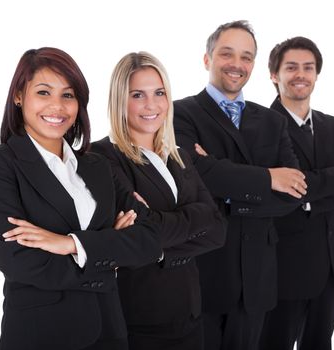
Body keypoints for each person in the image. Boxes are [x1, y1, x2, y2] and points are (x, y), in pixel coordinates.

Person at [0, 47, 166, 350]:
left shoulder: (97, 165)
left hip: (109, 331)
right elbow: (18, 261)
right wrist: (108, 253)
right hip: (41, 335)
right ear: (19, 96)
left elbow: (150, 239)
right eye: (43, 92)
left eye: (68, 95)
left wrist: (70, 244)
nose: (57, 106)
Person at [173, 20, 308, 350]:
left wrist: (229, 193)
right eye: (227, 54)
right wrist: (267, 177)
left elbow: (295, 192)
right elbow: (196, 176)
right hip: (204, 271)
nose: (237, 64)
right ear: (207, 59)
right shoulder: (179, 114)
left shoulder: (273, 120)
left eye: (246, 57)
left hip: (257, 278)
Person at [91, 52, 226, 350]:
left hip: (189, 312)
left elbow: (217, 229)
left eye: (159, 93)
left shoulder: (177, 155)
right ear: (119, 100)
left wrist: (159, 248)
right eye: (138, 95)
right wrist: (196, 216)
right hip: (138, 318)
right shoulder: (101, 158)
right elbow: (142, 234)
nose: (152, 105)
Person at [259, 36, 334, 350]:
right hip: (285, 267)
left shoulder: (332, 126)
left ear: (317, 74)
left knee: (320, 344)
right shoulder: (259, 127)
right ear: (274, 74)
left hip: (333, 264)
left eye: (308, 68)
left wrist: (307, 195)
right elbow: (278, 195)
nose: (300, 74)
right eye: (291, 67)